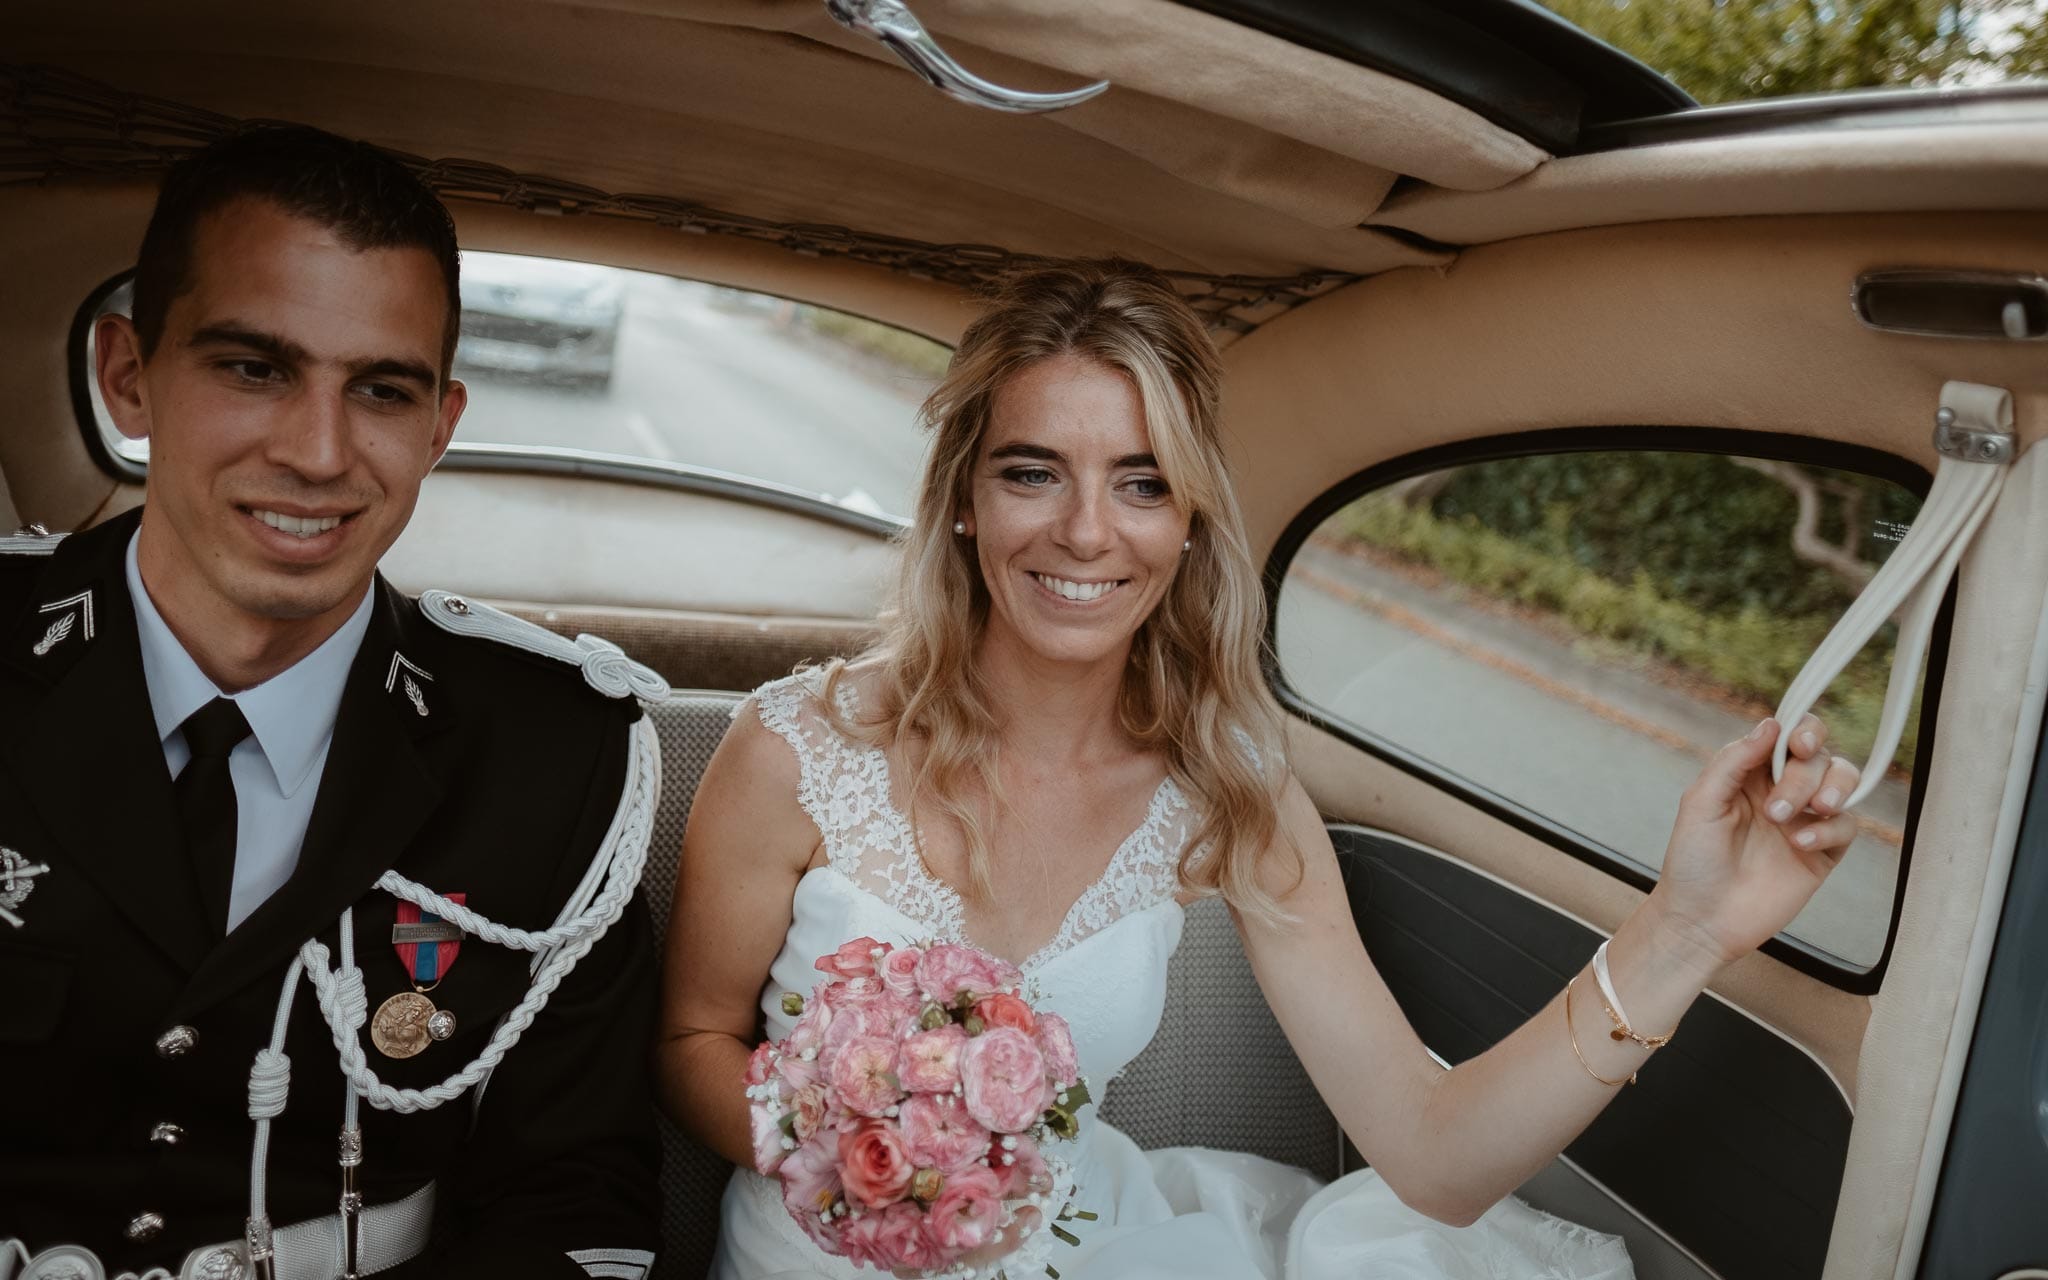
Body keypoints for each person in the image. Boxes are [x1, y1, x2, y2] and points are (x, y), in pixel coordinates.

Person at [658, 261, 1864, 1279]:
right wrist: (846, 1142)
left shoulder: (1226, 794)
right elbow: (691, 1037)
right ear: (964, 501)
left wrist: (1685, 930)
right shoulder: (797, 750)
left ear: (1185, 523)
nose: (1085, 530)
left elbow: (1433, 1156)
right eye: (1032, 470)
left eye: (1141, 482)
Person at [0, 126, 665, 1279]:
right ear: (129, 376)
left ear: (440, 425)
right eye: (253, 367)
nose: (318, 451)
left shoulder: (558, 755)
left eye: (382, 389)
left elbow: (570, 1203)